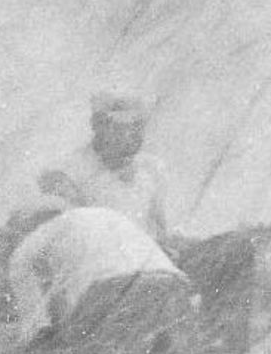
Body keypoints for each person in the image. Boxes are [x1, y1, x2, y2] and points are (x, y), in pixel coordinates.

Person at [7, 203, 197, 354]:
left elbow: (20, 267)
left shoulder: (43, 233)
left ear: (28, 224)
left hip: (117, 288)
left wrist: (34, 335)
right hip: (171, 284)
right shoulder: (104, 216)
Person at [36, 93, 174, 247]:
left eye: (138, 125)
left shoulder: (153, 168)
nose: (132, 135)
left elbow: (161, 230)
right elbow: (73, 241)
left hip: (147, 261)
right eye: (120, 127)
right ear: (97, 126)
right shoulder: (64, 173)